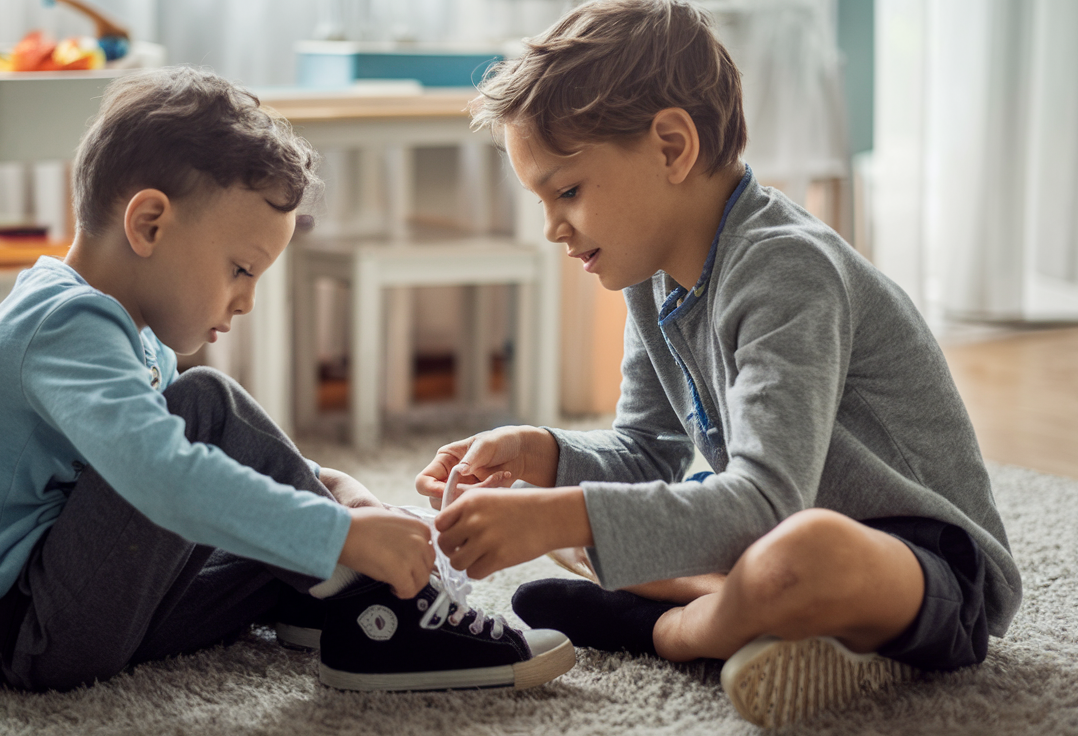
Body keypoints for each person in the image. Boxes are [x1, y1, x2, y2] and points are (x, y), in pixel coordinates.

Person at [414, 0, 1021, 726]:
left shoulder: (786, 269)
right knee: (595, 535)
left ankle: (677, 629)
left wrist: (559, 516)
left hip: (920, 566)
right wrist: (541, 457)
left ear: (672, 147)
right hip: (776, 530)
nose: (552, 228)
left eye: (567, 191)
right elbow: (647, 454)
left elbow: (768, 503)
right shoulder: (651, 274)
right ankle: (753, 614)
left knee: (799, 551)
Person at [0, 66, 573, 694]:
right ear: (149, 223)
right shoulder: (66, 324)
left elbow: (208, 479)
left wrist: (338, 495)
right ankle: (380, 617)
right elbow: (165, 476)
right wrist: (339, 535)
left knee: (260, 528)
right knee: (203, 404)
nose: (246, 300)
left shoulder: (115, 324)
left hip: (59, 617)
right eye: (240, 270)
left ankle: (341, 608)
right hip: (31, 635)